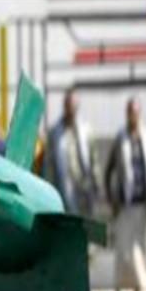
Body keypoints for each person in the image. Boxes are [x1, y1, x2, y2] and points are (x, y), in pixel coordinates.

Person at [105, 96, 146, 291]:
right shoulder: (120, 138)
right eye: (129, 112)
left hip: (144, 205)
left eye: (135, 112)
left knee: (141, 250)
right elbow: (109, 171)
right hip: (125, 205)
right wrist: (111, 199)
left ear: (139, 114)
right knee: (123, 252)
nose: (132, 116)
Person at [44, 88, 100, 218]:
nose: (71, 109)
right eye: (68, 106)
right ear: (64, 106)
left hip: (84, 190)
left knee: (86, 228)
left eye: (74, 106)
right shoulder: (55, 132)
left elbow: (94, 162)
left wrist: (97, 186)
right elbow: (49, 165)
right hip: (64, 190)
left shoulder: (86, 131)